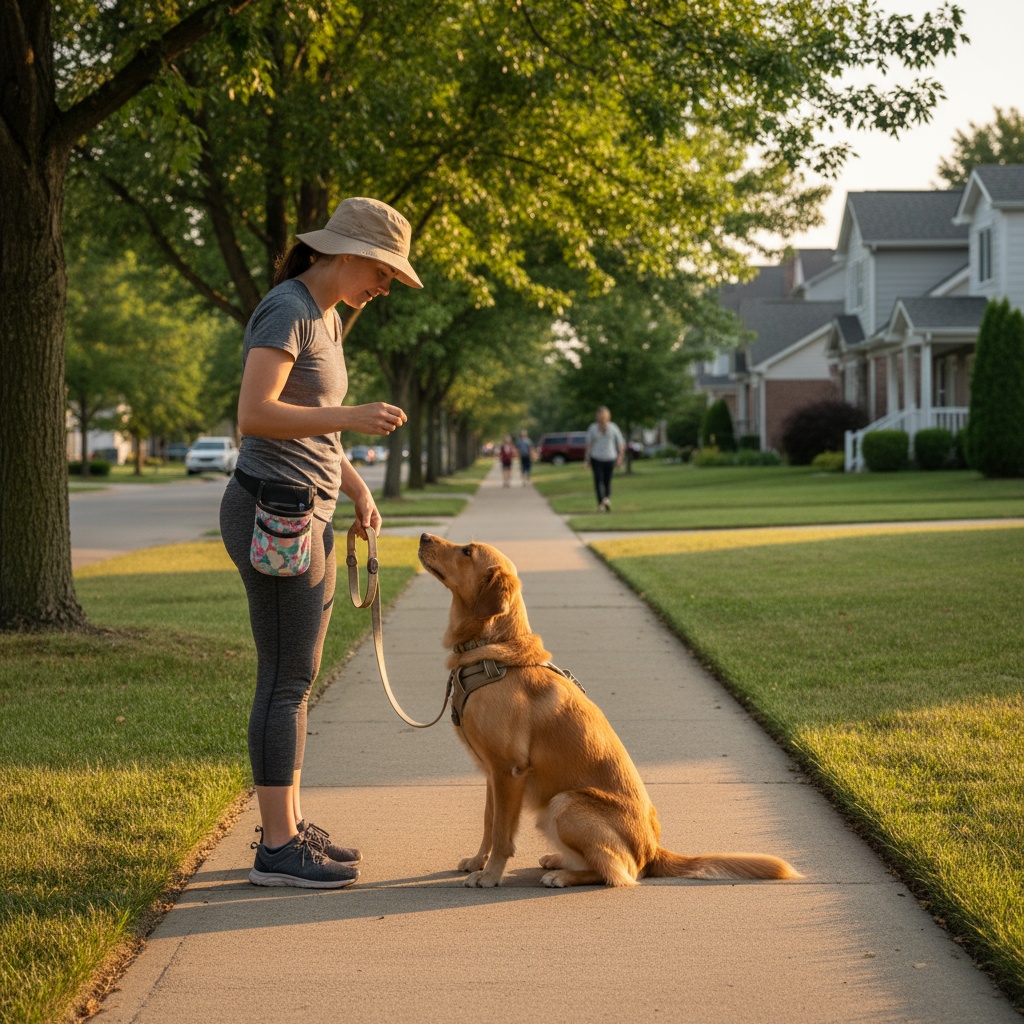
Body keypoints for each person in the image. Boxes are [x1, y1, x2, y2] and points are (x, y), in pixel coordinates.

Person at [219, 197, 421, 889]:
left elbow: (312, 429)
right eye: (383, 271)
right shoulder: (288, 309)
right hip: (272, 515)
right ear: (345, 254)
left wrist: (360, 494)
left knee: (295, 680)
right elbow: (255, 415)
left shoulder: (328, 317)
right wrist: (354, 415)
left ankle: (290, 826)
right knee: (284, 681)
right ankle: (277, 849)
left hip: (310, 511)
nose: (385, 285)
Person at [584, 405, 625, 512]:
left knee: (607, 480)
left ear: (608, 416)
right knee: (598, 479)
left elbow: (620, 443)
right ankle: (600, 503)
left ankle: (606, 499)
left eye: (603, 415)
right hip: (596, 457)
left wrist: (620, 457)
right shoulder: (592, 428)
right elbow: (589, 445)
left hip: (610, 457)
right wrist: (587, 459)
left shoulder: (613, 428)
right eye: (600, 415)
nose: (601, 417)